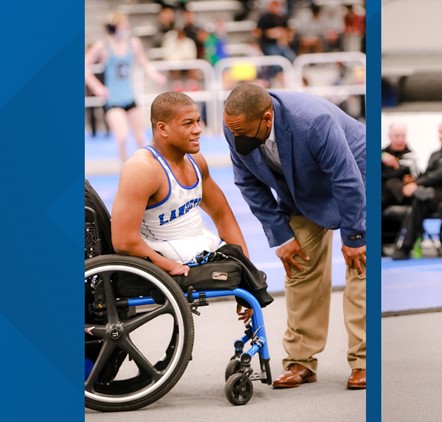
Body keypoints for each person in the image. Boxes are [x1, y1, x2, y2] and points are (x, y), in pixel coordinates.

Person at [222, 83, 367, 390]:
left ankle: (364, 361)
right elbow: (248, 184)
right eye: (232, 131)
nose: (236, 139)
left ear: (267, 118)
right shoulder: (236, 126)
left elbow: (346, 179)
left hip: (358, 180)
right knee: (298, 267)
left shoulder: (312, 120)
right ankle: (301, 361)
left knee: (361, 268)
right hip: (300, 192)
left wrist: (354, 237)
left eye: (243, 132)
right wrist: (282, 236)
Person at [110, 91, 272, 323]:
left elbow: (222, 214)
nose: (198, 129)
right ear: (162, 128)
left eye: (198, 121)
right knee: (238, 266)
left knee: (243, 266)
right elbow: (123, 240)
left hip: (198, 244)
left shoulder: (196, 161)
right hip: (168, 253)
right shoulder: (142, 169)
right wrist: (166, 264)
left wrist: (249, 276)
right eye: (188, 123)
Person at [85, 13, 167, 163]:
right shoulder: (103, 46)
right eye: (122, 25)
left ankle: (148, 168)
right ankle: (125, 169)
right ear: (113, 27)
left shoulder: (133, 43)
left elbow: (144, 63)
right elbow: (84, 66)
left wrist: (156, 76)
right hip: (112, 100)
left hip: (129, 97)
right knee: (122, 137)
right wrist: (97, 87)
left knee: (141, 138)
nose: (125, 28)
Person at [391, 119, 442, 260]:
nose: (440, 136)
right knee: (419, 202)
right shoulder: (435, 155)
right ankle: (405, 247)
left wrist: (417, 183)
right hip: (433, 195)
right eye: (439, 132)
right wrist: (412, 180)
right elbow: (428, 174)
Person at [381, 122, 420, 211]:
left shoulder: (411, 155)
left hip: (401, 195)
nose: (400, 139)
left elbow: (395, 174)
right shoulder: (383, 152)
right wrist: (381, 156)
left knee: (391, 182)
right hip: (386, 192)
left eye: (403, 136)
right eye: (397, 136)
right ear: (389, 136)